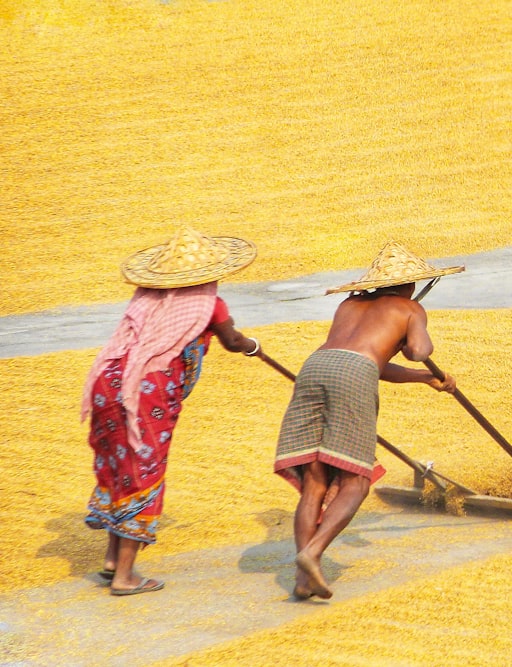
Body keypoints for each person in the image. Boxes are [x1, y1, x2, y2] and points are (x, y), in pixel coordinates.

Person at [274, 240, 461, 600]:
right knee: (355, 480)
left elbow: (369, 358)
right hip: (354, 373)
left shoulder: (350, 303)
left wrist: (426, 378)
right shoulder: (409, 307)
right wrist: (413, 337)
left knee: (315, 480)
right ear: (412, 284)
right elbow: (418, 351)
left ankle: (302, 579)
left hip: (316, 366)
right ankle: (312, 553)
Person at [81, 226, 261, 596]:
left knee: (120, 466)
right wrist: (251, 345)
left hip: (108, 380)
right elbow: (231, 340)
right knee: (145, 471)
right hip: (148, 388)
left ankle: (113, 560)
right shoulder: (210, 304)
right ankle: (125, 577)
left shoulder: (146, 296)